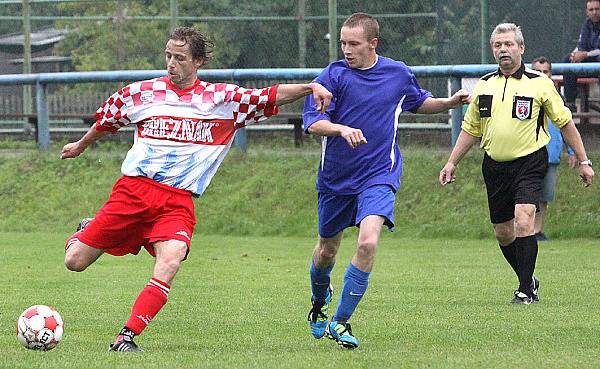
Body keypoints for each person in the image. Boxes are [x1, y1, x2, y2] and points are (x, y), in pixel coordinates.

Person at [60, 26, 332, 352]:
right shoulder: (141, 93)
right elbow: (107, 121)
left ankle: (126, 337)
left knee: (171, 260)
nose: (171, 63)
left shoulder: (220, 100)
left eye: (180, 58)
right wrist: (79, 145)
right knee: (74, 261)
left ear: (198, 61)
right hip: (133, 192)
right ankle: (88, 230)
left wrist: (310, 86)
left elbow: (268, 95)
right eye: (168, 56)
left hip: (178, 202)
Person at [302, 12, 470, 349]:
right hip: (336, 178)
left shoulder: (397, 72)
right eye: (342, 43)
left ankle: (341, 321)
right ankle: (320, 304)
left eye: (354, 44)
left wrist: (448, 103)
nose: (346, 50)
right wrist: (340, 128)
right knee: (326, 253)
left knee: (368, 242)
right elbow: (312, 123)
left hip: (378, 174)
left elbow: (419, 102)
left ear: (372, 43)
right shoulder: (332, 76)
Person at [439, 23, 594, 306]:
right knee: (503, 232)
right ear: (493, 50)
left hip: (530, 162)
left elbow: (566, 123)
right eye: (498, 45)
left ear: (521, 48)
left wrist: (584, 160)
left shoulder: (539, 83)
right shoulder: (484, 85)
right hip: (495, 166)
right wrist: (451, 162)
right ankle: (528, 277)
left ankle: (525, 290)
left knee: (524, 218)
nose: (503, 50)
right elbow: (470, 129)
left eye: (509, 44)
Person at [530, 56, 577, 241]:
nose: (542, 75)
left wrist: (572, 151)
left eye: (546, 72)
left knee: (544, 196)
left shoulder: (558, 98)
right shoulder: (525, 95)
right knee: (527, 196)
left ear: (551, 74)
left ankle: (537, 231)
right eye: (538, 72)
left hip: (551, 155)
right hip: (529, 154)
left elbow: (566, 126)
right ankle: (525, 230)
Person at [561, 0, 600, 109]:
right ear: (587, 12)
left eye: (597, 9)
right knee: (568, 60)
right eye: (591, 10)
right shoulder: (587, 24)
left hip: (597, 60)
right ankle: (570, 103)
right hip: (590, 61)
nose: (594, 12)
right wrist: (575, 55)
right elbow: (581, 45)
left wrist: (585, 54)